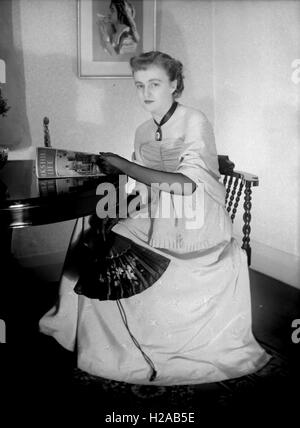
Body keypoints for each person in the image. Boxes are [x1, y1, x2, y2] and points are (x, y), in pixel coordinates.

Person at [39, 51, 270, 386]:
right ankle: (81, 329)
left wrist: (122, 164)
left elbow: (186, 185)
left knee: (109, 237)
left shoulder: (195, 120)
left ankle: (128, 343)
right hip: (160, 214)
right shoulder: (143, 130)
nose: (146, 93)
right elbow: (145, 191)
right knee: (90, 223)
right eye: (139, 85)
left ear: (174, 85)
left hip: (197, 221)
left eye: (155, 84)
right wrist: (120, 205)